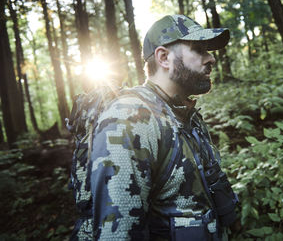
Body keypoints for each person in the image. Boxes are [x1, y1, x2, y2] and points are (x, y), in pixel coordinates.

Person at [69, 14, 238, 241]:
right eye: (198, 49)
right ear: (164, 57)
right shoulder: (130, 120)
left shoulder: (182, 112)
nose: (211, 59)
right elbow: (117, 234)